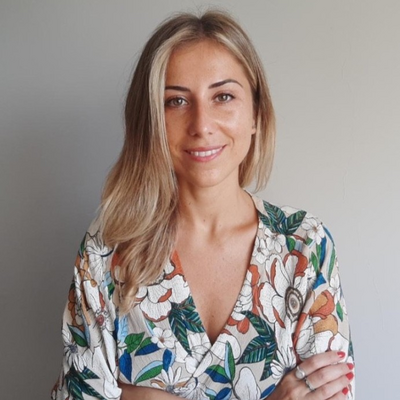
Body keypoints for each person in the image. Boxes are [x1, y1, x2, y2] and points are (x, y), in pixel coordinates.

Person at [52, 10, 355, 400]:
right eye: (176, 101)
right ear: (151, 122)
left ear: (256, 114)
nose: (202, 124)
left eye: (223, 96)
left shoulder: (303, 247)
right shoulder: (108, 250)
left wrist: (138, 395)